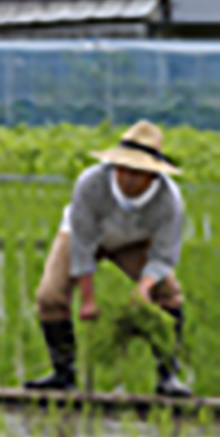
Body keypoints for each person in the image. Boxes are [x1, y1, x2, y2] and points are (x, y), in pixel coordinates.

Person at [25, 120, 190, 397]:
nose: (127, 177)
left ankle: (168, 375)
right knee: (49, 297)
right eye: (122, 168)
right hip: (86, 235)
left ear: (152, 175)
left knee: (168, 293)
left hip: (135, 242)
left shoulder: (169, 200)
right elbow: (82, 243)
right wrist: (88, 298)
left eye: (137, 172)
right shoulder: (91, 183)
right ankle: (63, 373)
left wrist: (143, 288)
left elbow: (163, 254)